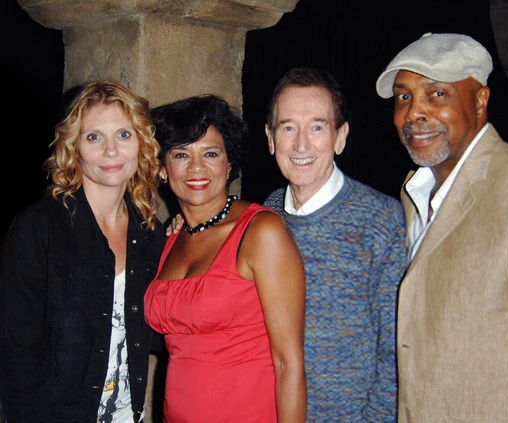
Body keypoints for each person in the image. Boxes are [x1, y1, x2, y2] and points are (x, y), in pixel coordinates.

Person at [375, 32, 508, 422]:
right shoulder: (413, 192)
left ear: (480, 100)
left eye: (436, 94)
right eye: (403, 97)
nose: (414, 114)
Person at [0, 80, 166, 423]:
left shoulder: (149, 232)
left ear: (141, 143)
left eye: (124, 135)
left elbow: (154, 331)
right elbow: (15, 351)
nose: (111, 151)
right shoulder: (41, 228)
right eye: (94, 137)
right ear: (73, 147)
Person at [144, 94, 307, 422]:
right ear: (162, 168)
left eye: (211, 153)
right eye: (181, 154)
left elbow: (288, 364)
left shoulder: (261, 232)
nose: (196, 167)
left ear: (229, 164)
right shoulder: (171, 238)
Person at [263, 66, 407, 421]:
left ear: (340, 137)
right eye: (288, 128)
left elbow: (396, 349)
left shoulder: (381, 219)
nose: (301, 145)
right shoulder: (266, 215)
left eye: (317, 127)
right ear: (270, 138)